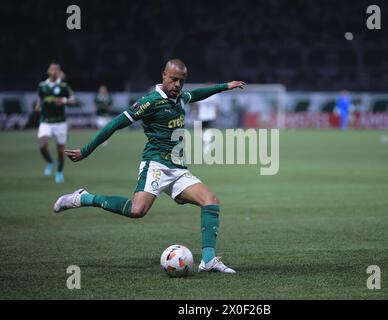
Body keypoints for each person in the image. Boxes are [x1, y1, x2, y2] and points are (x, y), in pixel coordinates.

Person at [53, 59, 246, 273]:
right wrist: (86, 150)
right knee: (137, 211)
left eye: (182, 81)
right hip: (155, 165)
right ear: (164, 75)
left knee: (211, 202)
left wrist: (224, 86)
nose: (177, 85)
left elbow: (199, 93)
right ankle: (84, 197)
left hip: (179, 169)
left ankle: (208, 260)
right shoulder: (149, 102)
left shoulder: (181, 98)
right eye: (173, 79)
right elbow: (115, 124)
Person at [35, 62, 76, 183]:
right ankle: (49, 162)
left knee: (60, 150)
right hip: (45, 121)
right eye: (51, 68)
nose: (53, 71)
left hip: (60, 122)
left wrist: (63, 100)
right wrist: (38, 105)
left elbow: (73, 100)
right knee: (42, 145)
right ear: (48, 71)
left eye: (56, 69)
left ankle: (59, 172)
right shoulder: (42, 85)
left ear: (58, 72)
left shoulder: (63, 86)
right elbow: (40, 97)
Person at [194, 84, 220, 154]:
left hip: (205, 116)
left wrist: (194, 113)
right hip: (206, 116)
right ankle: (206, 145)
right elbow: (216, 107)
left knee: (206, 132)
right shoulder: (214, 95)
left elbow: (196, 105)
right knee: (203, 132)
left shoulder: (203, 95)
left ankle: (206, 146)